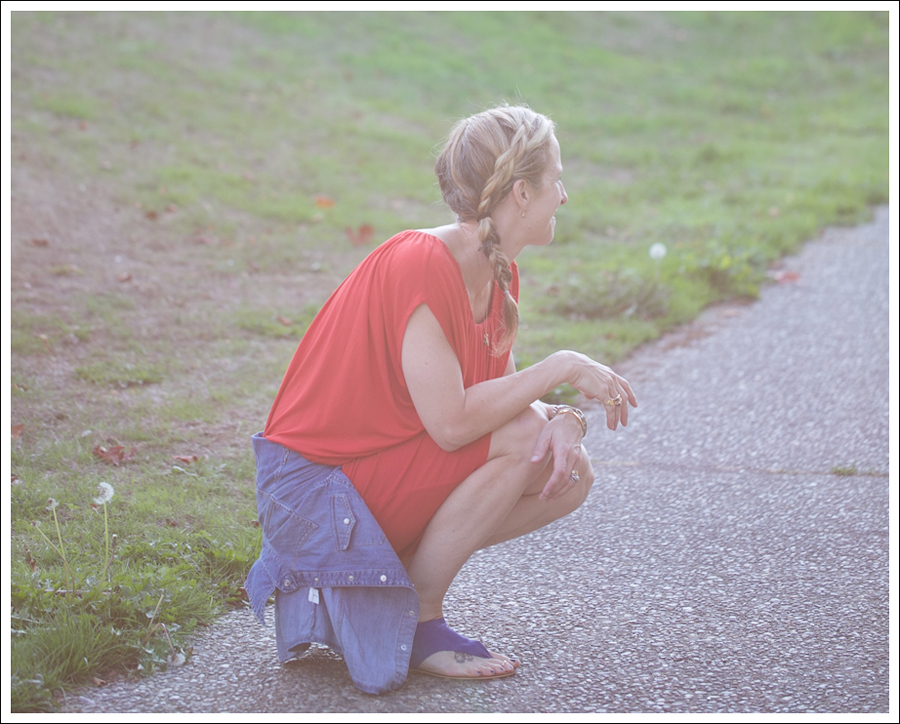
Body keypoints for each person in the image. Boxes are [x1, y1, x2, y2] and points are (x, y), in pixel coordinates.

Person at [245, 104, 637, 693]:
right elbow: (454, 426)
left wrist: (564, 418)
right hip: (312, 495)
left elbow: (499, 406)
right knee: (527, 442)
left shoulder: (498, 273)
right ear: (522, 193)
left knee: (570, 471)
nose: (565, 194)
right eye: (557, 180)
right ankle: (421, 620)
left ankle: (392, 584)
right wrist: (561, 367)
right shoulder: (421, 262)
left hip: (367, 477)